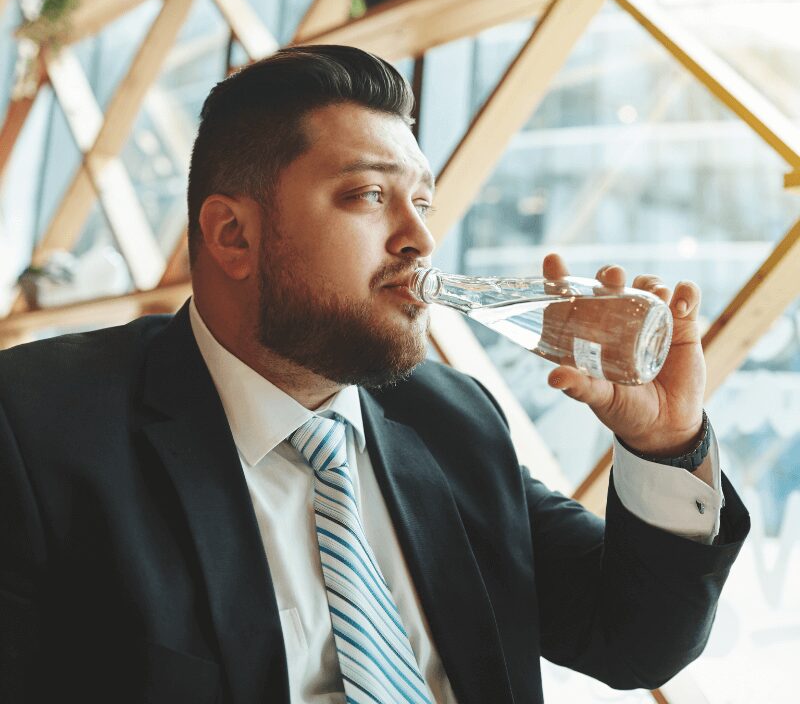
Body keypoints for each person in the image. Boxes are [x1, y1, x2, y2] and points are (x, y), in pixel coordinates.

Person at [0, 45, 749, 704]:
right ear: (234, 235)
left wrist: (665, 441)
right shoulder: (36, 430)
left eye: (422, 200)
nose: (420, 238)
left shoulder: (451, 418)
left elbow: (633, 642)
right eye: (367, 195)